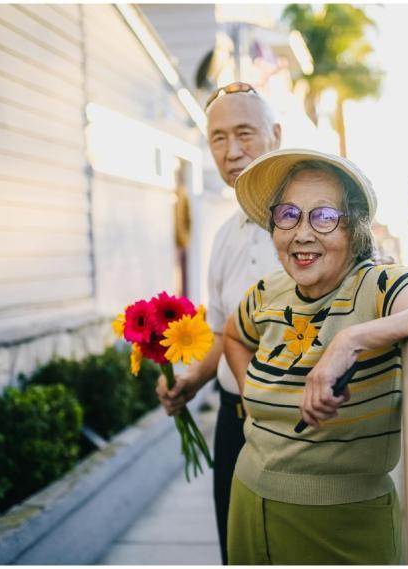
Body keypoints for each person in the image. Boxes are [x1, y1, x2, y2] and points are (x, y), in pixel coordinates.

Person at [222, 149, 408, 564]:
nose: (301, 233)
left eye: (323, 217)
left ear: (354, 229)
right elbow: (233, 335)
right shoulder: (268, 291)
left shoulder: (377, 286)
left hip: (343, 525)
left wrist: (352, 339)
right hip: (246, 500)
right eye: (288, 215)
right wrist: (251, 397)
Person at [155, 82, 282, 565]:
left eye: (244, 134)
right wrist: (191, 380)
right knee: (237, 550)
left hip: (296, 426)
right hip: (233, 421)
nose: (231, 152)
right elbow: (223, 327)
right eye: (218, 138)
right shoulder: (225, 235)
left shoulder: (311, 223)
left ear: (275, 134)